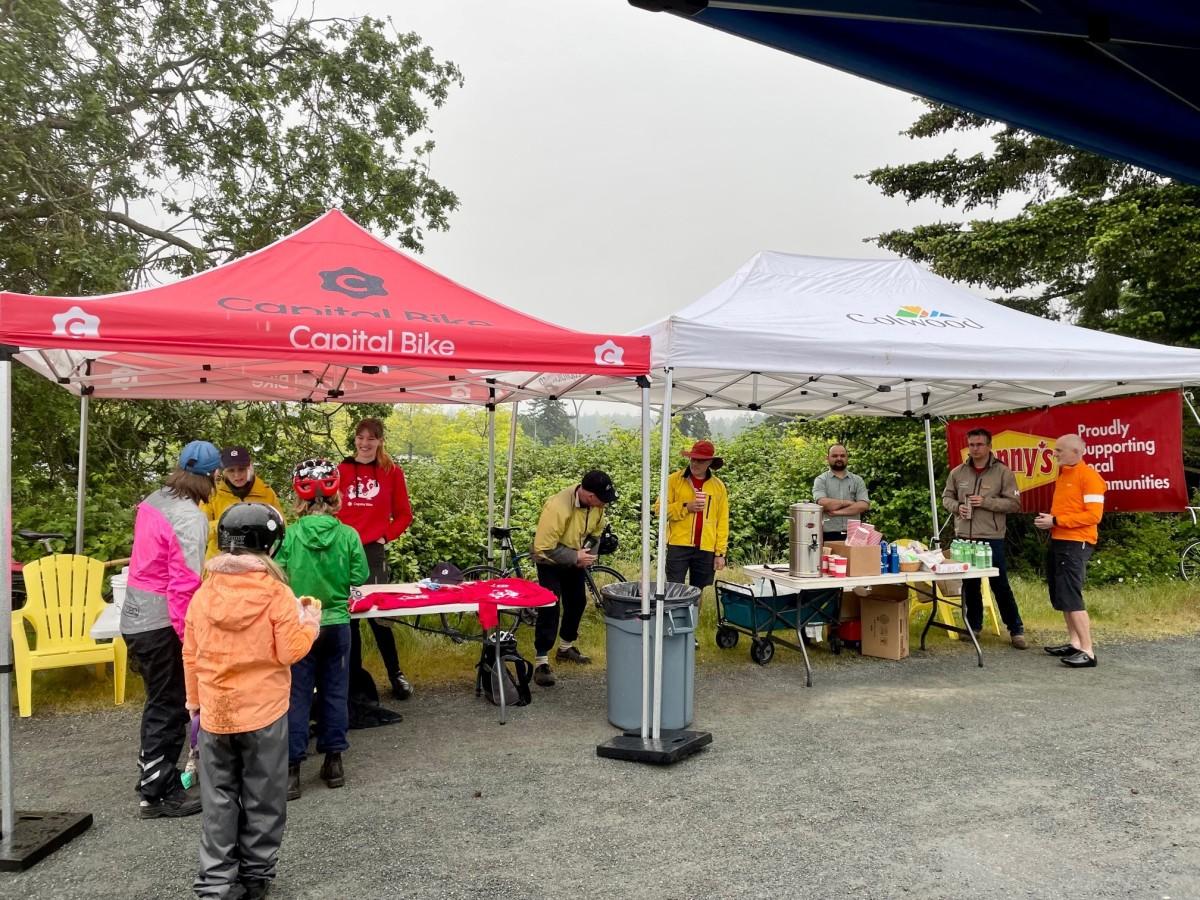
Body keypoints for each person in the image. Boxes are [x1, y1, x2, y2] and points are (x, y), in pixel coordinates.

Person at [183, 503, 319, 900]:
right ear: (269, 545)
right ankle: (255, 877)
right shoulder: (277, 594)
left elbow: (190, 655)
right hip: (263, 714)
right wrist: (309, 620)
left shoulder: (204, 593)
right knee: (263, 796)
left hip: (214, 713)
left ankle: (215, 884)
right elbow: (289, 652)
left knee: (218, 799)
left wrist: (194, 704)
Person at [122, 439, 218, 819]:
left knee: (157, 701)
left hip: (134, 614)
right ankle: (157, 794)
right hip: (160, 621)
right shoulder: (190, 518)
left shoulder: (155, 498)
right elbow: (184, 585)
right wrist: (188, 638)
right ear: (211, 477)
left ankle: (152, 773)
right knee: (169, 705)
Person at [276, 458, 369, 799]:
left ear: (299, 498)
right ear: (336, 496)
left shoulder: (291, 535)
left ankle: (291, 771)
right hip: (337, 624)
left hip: (301, 624)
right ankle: (333, 762)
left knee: (297, 695)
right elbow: (359, 577)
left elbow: (280, 576)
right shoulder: (348, 535)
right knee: (335, 692)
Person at [337, 417, 415, 701]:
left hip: (372, 551)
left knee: (380, 616)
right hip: (342, 550)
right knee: (349, 617)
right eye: (361, 437)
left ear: (380, 440)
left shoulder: (391, 472)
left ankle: (396, 674)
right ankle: (353, 679)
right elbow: (329, 509)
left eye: (371, 438)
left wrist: (386, 536)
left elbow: (404, 514)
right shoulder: (342, 470)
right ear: (355, 440)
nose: (365, 443)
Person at [942, 428, 1028, 649]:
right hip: (964, 537)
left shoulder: (1003, 472)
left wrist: (987, 502)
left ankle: (1016, 629)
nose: (975, 449)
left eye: (979, 444)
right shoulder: (957, 472)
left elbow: (1014, 504)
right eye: (971, 445)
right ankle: (974, 626)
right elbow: (946, 498)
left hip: (991, 537)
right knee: (970, 585)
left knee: (1000, 585)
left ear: (990, 446)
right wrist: (958, 507)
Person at [530, 469, 616, 687]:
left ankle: (565, 648)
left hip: (574, 559)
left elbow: (595, 532)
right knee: (550, 605)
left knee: (577, 601)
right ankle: (541, 662)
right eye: (601, 500)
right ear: (588, 495)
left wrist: (587, 554)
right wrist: (574, 556)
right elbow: (542, 548)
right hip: (549, 560)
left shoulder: (596, 506)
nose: (603, 505)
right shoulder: (557, 507)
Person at [1035, 433, 1106, 668]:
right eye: (1055, 450)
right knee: (1062, 594)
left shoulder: (1090, 477)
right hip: (1060, 540)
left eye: (1059, 451)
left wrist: (1056, 520)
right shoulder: (1064, 474)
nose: (1054, 454)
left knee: (1072, 595)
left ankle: (1088, 650)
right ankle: (1075, 643)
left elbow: (1094, 515)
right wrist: (1054, 522)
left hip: (1077, 542)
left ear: (1076, 452)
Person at [661, 440, 730, 590]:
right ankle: (675, 614)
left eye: (700, 460)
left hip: (706, 547)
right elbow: (659, 510)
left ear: (710, 462)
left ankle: (694, 614)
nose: (695, 463)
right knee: (674, 589)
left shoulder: (718, 486)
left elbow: (722, 521)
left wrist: (720, 553)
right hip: (678, 544)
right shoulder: (673, 480)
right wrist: (686, 507)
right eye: (693, 459)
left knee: (698, 591)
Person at [201, 445, 285, 558]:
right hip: (219, 562)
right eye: (231, 470)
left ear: (249, 467)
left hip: (258, 561)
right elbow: (201, 530)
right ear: (223, 471)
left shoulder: (266, 492)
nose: (237, 475)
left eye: (241, 469)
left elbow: (281, 529)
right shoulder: (212, 494)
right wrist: (226, 524)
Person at [812, 443, 870, 542]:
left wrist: (837, 512)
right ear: (827, 458)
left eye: (842, 456)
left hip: (854, 535)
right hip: (827, 535)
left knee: (855, 558)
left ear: (847, 458)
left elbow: (863, 505)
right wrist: (848, 503)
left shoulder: (857, 480)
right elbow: (823, 503)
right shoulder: (821, 480)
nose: (839, 458)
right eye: (835, 456)